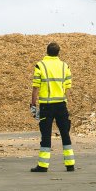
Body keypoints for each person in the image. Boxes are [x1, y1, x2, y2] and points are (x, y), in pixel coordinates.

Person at [30, 42, 75, 172]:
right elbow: (68, 87)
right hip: (61, 105)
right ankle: (70, 164)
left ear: (47, 51)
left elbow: (35, 87)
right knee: (65, 133)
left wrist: (33, 105)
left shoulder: (40, 65)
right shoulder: (65, 66)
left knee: (46, 135)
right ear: (58, 52)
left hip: (46, 106)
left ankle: (43, 166)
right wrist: (65, 101)